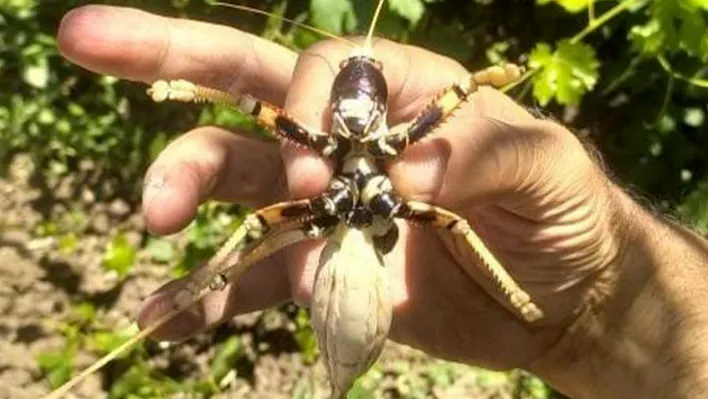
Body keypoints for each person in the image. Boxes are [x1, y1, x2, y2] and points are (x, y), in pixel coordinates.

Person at [58, 5, 708, 398]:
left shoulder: (403, 144)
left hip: (357, 264)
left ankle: (516, 294)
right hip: (349, 255)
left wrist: (596, 298)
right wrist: (186, 89)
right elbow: (251, 105)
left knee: (426, 216)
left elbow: (451, 101)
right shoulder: (318, 141)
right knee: (263, 225)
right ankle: (206, 279)